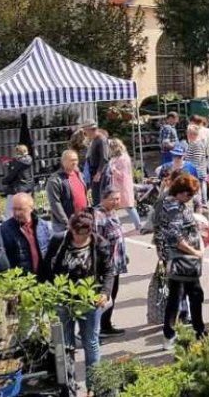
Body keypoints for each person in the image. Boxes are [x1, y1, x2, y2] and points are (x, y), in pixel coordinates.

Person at [40, 210, 113, 392]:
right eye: (76, 234)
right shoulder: (59, 240)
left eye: (84, 235)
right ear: (70, 229)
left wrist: (105, 292)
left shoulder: (100, 244)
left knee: (91, 342)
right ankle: (68, 387)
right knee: (65, 345)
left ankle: (93, 388)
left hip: (90, 301)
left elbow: (108, 271)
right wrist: (47, 291)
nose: (79, 239)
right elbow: (46, 267)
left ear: (90, 232)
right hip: (63, 299)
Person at [158, 174, 206, 348]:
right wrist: (195, 252)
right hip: (181, 258)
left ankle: (181, 332)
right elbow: (175, 236)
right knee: (186, 296)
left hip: (181, 258)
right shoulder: (173, 207)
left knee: (182, 296)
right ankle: (190, 332)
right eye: (189, 195)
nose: (190, 198)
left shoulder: (177, 204)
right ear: (180, 192)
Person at [94, 187, 128, 337]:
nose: (116, 202)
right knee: (106, 295)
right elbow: (97, 241)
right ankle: (98, 327)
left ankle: (105, 325)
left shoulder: (112, 212)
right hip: (106, 264)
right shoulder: (99, 215)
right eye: (113, 199)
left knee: (112, 295)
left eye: (118, 199)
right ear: (103, 199)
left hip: (116, 261)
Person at [0, 192, 51, 274]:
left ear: (31, 208)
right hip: (21, 281)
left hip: (43, 278)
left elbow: (48, 252)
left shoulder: (42, 226)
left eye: (20, 209)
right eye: (14, 209)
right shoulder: (5, 229)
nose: (16, 213)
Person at [46, 150, 90, 232]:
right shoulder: (54, 180)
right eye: (71, 160)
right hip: (64, 225)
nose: (75, 162)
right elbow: (55, 204)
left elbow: (84, 195)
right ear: (63, 162)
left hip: (81, 220)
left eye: (76, 160)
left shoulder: (79, 175)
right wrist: (67, 223)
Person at [108, 138, 143, 232]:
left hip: (122, 186)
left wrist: (113, 169)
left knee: (128, 206)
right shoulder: (118, 157)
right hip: (118, 185)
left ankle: (138, 225)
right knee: (116, 206)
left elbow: (122, 175)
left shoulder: (123, 158)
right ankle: (117, 226)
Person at [1, 144, 33, 219]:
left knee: (9, 209)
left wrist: (4, 181)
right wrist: (10, 164)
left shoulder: (18, 162)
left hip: (18, 188)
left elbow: (12, 174)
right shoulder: (28, 159)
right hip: (27, 187)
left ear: (18, 152)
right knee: (26, 207)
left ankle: (9, 225)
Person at [193, 116, 209, 199]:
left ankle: (203, 195)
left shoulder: (195, 131)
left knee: (202, 176)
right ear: (205, 123)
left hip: (201, 156)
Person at [183, 123, 209, 203]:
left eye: (189, 133)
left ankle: (202, 204)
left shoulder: (196, 144)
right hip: (199, 170)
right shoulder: (196, 143)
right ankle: (202, 203)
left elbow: (197, 159)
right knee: (200, 188)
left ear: (193, 134)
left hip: (196, 171)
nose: (188, 135)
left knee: (199, 190)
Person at [86, 125, 110, 206]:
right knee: (95, 196)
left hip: (99, 171)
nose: (86, 133)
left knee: (98, 196)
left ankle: (101, 215)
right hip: (94, 170)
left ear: (91, 130)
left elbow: (104, 158)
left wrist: (99, 173)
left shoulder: (101, 140)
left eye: (86, 131)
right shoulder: (94, 139)